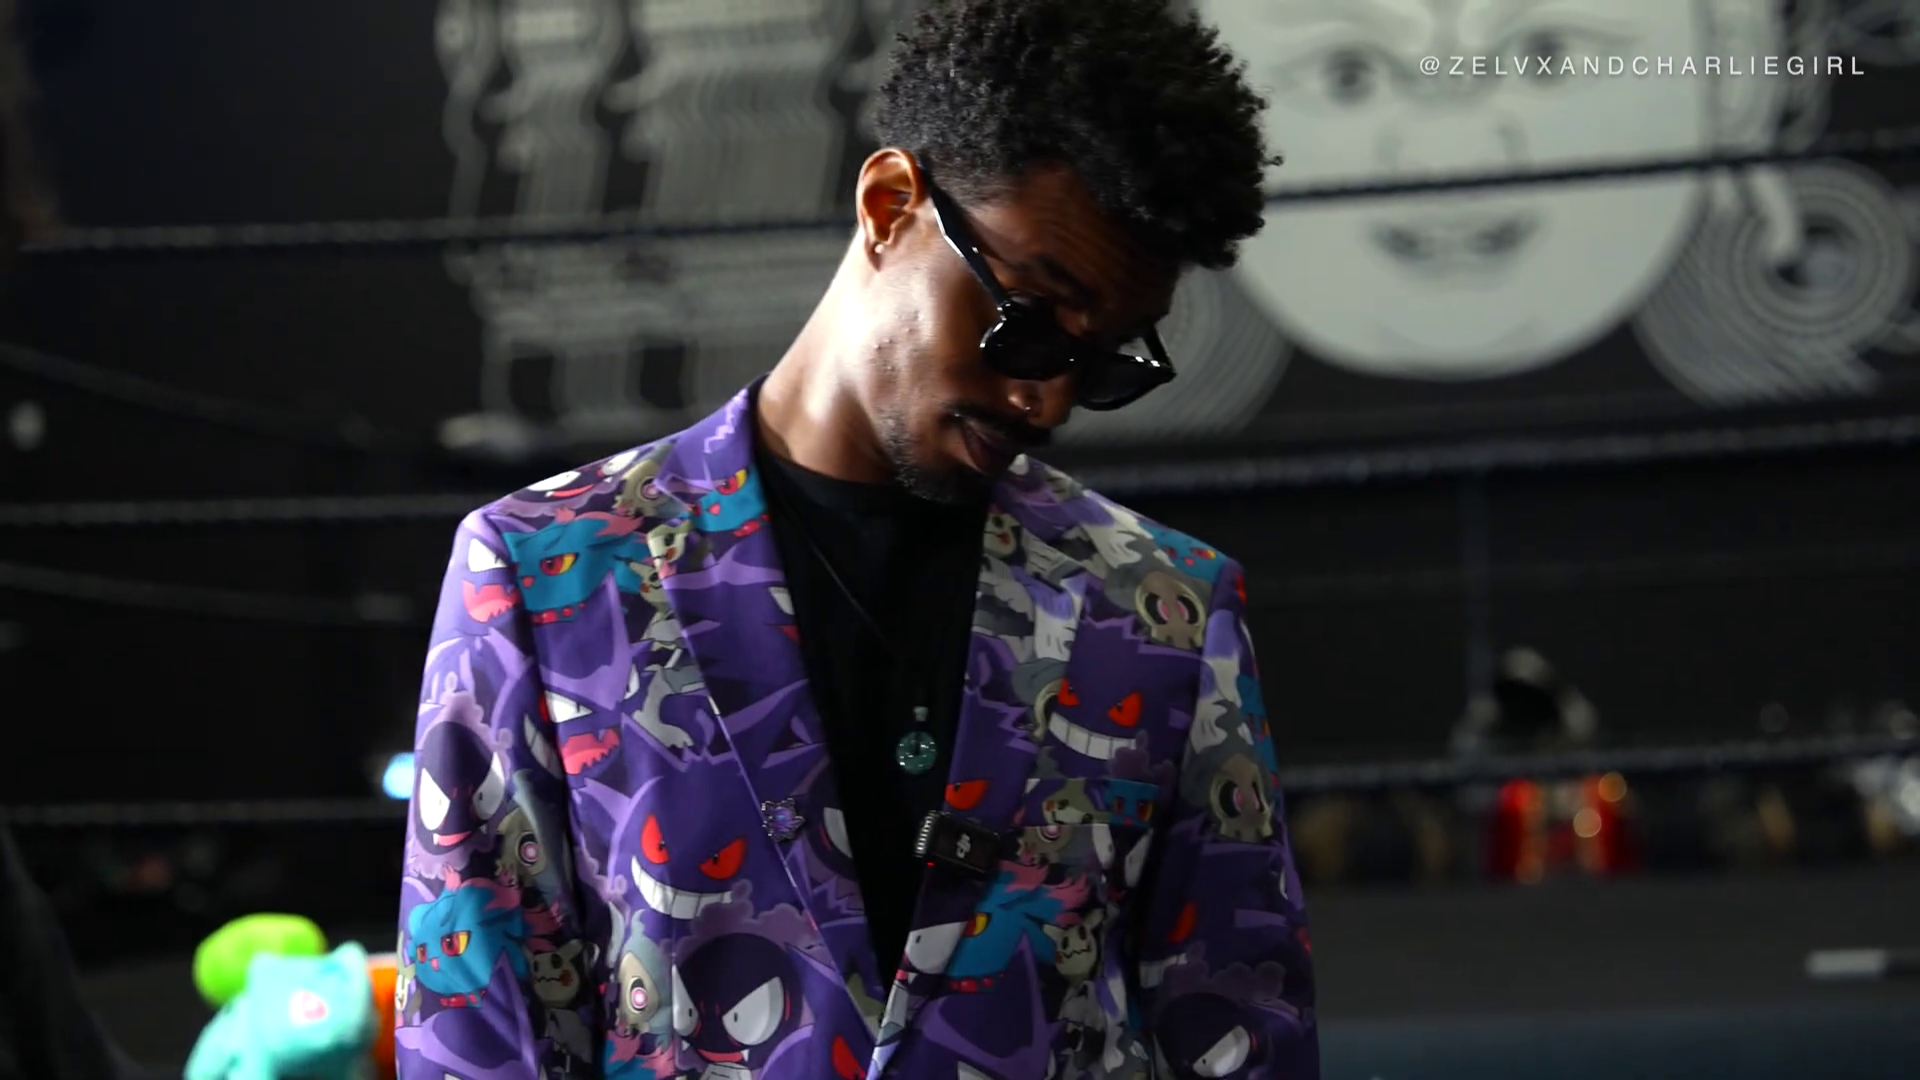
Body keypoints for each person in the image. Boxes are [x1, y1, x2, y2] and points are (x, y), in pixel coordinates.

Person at [396, 0, 1316, 1076]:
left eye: (1106, 363)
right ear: (889, 206)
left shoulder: (1165, 609)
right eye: (1028, 324)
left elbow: (1239, 1030)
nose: (1049, 399)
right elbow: (479, 1027)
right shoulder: (547, 570)